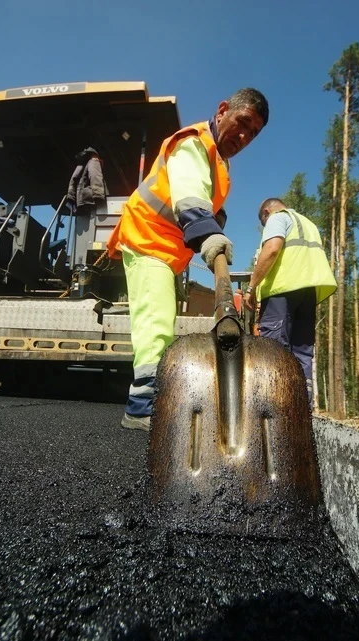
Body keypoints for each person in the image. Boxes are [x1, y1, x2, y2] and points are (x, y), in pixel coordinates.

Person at [106, 88, 270, 431]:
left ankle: (157, 400)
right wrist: (207, 231)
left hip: (168, 250)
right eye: (242, 123)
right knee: (157, 320)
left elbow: (207, 201)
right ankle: (142, 408)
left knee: (161, 319)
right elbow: (188, 191)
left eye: (253, 134)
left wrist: (217, 223)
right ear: (222, 110)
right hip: (146, 235)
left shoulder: (219, 166)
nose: (244, 136)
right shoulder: (194, 143)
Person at [243, 198, 337, 406]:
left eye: (263, 222)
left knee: (273, 348)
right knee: (302, 351)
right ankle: (302, 407)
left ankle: (273, 404)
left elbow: (273, 249)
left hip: (281, 290)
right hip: (308, 293)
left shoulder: (278, 218)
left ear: (266, 212)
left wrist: (252, 287)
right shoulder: (309, 224)